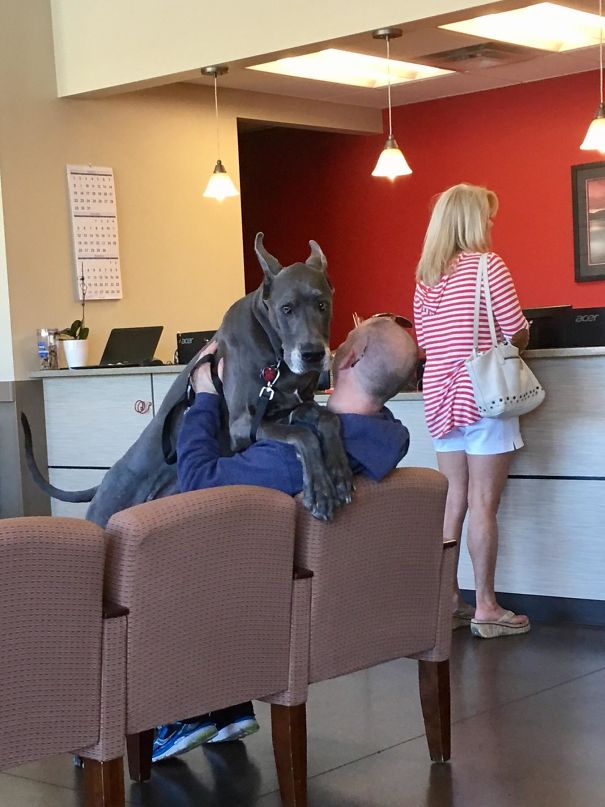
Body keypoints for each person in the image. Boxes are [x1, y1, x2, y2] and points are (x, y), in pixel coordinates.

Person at [152, 316, 418, 763]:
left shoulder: (294, 457)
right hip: (310, 600)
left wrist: (206, 397)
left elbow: (199, 481)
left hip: (255, 598)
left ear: (350, 358)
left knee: (158, 563)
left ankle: (184, 712)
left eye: (347, 337)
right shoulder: (383, 437)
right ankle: (228, 705)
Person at [413, 183, 531, 641]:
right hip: (484, 396)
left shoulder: (426, 277)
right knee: (483, 503)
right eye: (487, 214)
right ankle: (486, 607)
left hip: (440, 398)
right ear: (470, 220)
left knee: (453, 501)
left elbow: (426, 343)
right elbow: (515, 330)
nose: (491, 221)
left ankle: (447, 602)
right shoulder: (488, 265)